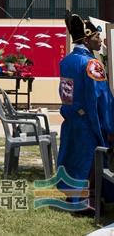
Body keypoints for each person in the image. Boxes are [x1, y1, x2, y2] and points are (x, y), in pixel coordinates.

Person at [57, 13, 114, 209]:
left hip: (72, 118)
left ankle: (74, 196)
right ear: (87, 39)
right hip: (89, 123)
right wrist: (109, 124)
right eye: (97, 36)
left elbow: (65, 92)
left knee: (73, 158)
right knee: (88, 160)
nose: (100, 39)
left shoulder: (67, 61)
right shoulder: (91, 64)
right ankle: (87, 201)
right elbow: (102, 97)